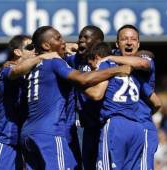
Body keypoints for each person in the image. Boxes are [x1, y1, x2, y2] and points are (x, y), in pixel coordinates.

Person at [20, 26, 131, 170]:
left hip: (30, 132)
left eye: (86, 38)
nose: (67, 42)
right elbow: (88, 86)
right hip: (54, 130)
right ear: (46, 45)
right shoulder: (59, 61)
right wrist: (117, 70)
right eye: (59, 38)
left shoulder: (33, 66)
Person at [0, 35, 59, 170]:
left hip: (22, 143)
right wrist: (40, 57)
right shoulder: (6, 69)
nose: (34, 50)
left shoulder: (32, 73)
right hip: (4, 141)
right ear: (17, 52)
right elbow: (15, 71)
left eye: (36, 47)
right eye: (30, 47)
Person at [84, 41, 153, 170]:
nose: (92, 69)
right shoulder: (133, 68)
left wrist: (79, 85)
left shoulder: (104, 65)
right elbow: (156, 100)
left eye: (91, 64)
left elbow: (97, 94)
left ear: (97, 58)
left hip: (116, 125)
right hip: (137, 127)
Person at [106, 25, 162, 169]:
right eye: (125, 39)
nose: (129, 42)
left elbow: (143, 64)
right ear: (117, 44)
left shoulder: (143, 59)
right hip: (120, 127)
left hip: (143, 127)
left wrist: (110, 56)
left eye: (133, 39)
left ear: (138, 44)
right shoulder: (110, 63)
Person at [65, 25, 104, 170]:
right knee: (83, 163)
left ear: (98, 42)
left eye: (86, 37)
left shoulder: (108, 60)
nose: (81, 40)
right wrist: (65, 45)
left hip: (103, 122)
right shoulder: (74, 60)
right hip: (82, 123)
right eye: (80, 37)